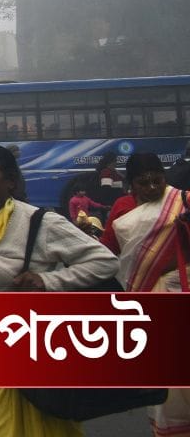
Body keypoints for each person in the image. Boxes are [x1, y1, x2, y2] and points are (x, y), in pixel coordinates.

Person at [0, 143, 120, 437]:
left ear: (10, 181)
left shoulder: (41, 222)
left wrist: (48, 282)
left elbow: (105, 262)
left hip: (32, 351)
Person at [102, 152, 190, 436]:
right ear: (131, 184)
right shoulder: (123, 210)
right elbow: (109, 251)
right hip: (149, 295)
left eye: (157, 180)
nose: (152, 188)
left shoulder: (183, 201)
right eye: (144, 182)